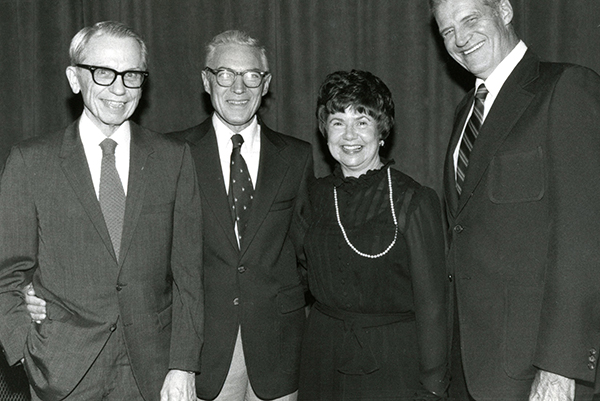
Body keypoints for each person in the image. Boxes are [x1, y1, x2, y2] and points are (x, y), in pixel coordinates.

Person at [0, 21, 204, 401]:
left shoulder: (173, 159)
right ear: (75, 78)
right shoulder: (29, 162)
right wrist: (26, 350)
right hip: (60, 371)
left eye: (132, 75)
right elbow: (5, 274)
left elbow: (189, 276)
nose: (119, 88)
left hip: (154, 374)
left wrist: (183, 365)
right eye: (104, 73)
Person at [430, 0, 600, 401]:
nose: (460, 38)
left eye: (470, 20)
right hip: (473, 364)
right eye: (447, 31)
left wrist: (559, 368)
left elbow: (583, 239)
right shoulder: (465, 112)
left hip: (538, 367)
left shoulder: (566, 88)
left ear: (503, 10)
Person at [173, 30, 312, 401]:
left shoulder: (296, 157)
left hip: (280, 347)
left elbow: (306, 252)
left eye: (251, 76)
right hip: (204, 350)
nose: (239, 87)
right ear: (207, 80)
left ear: (265, 84)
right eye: (225, 74)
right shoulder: (173, 154)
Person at [298, 69, 449, 401]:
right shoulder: (315, 196)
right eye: (338, 122)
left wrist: (434, 385)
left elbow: (434, 304)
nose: (349, 135)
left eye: (362, 122)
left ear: (382, 132)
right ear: (325, 133)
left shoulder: (414, 200)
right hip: (322, 358)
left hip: (393, 363)